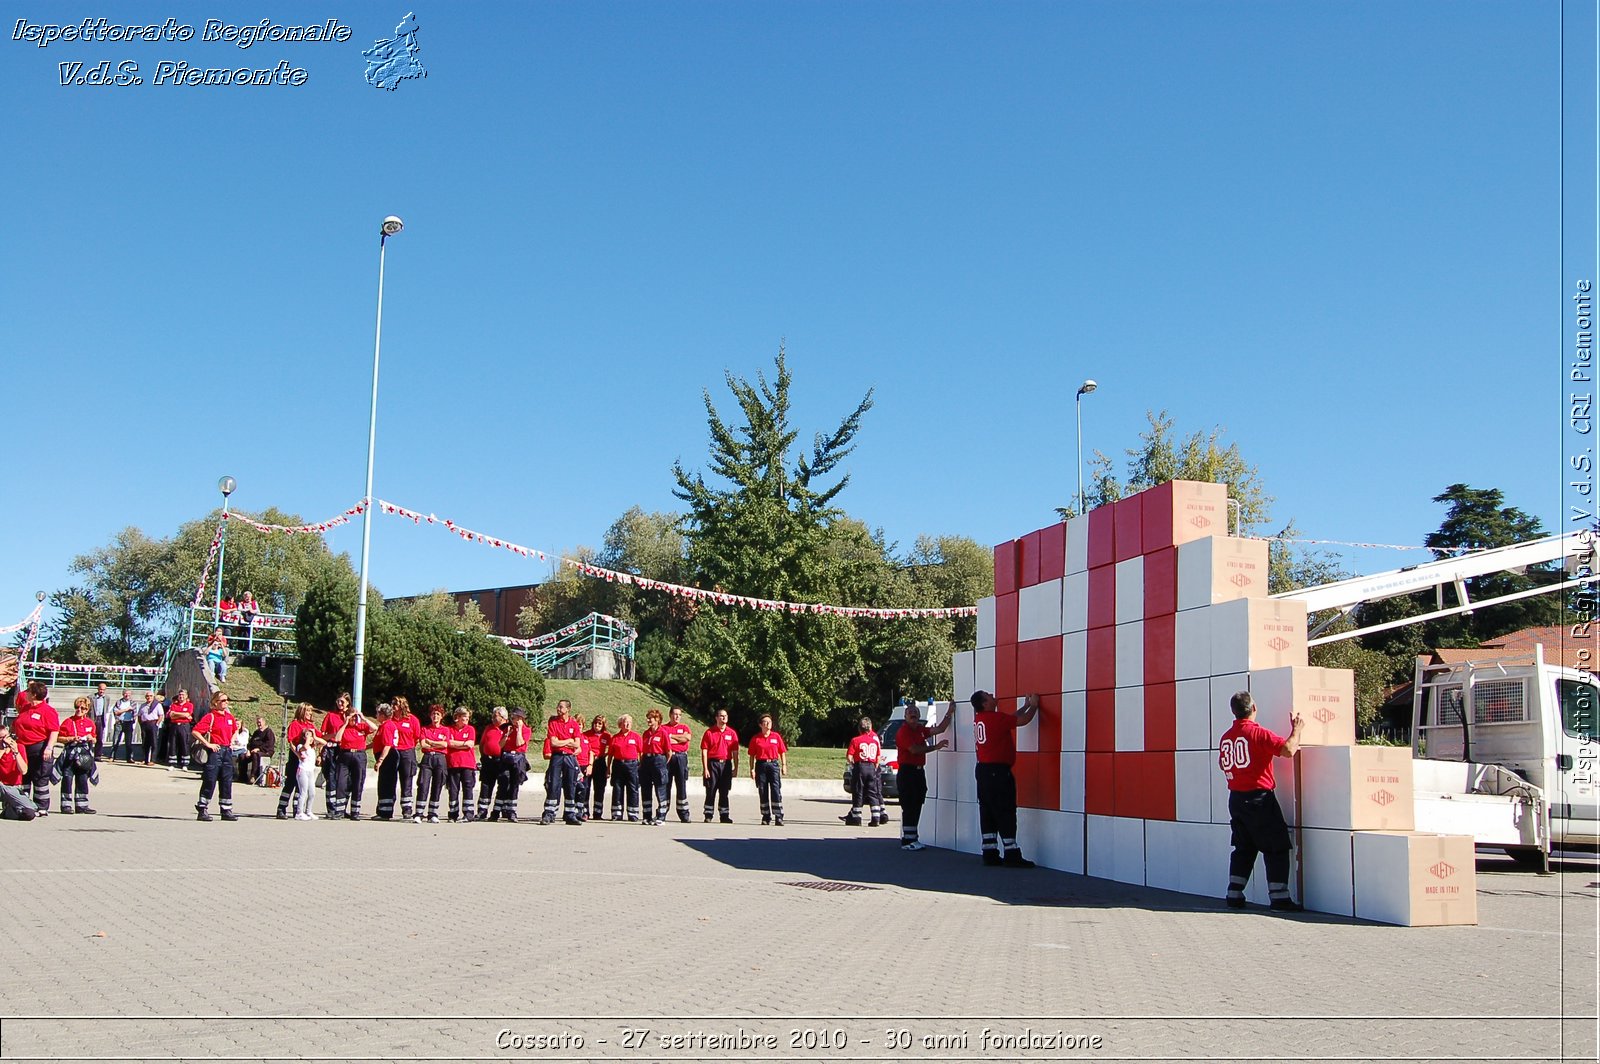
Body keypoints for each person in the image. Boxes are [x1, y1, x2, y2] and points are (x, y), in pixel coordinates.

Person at [1219, 691, 1305, 912]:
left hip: (1236, 798)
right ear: (1254, 708)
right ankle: (1279, 898)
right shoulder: (1258, 734)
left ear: (1233, 711)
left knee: (1243, 847)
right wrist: (1297, 730)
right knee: (1276, 846)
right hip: (1259, 798)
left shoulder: (1226, 737)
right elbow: (1288, 750)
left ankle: (1234, 894)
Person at [971, 690, 1040, 867]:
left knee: (987, 811)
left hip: (983, 770)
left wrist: (1024, 706)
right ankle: (1011, 853)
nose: (993, 695)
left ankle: (990, 852)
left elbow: (1009, 720)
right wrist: (1033, 706)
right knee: (1005, 809)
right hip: (998, 772)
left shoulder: (983, 719)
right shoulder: (994, 719)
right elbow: (1022, 721)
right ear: (985, 703)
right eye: (989, 695)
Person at [894, 702, 951, 850]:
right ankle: (907, 840)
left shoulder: (920, 729)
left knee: (917, 802)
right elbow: (914, 750)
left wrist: (949, 712)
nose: (913, 714)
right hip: (907, 771)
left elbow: (940, 729)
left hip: (919, 772)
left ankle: (913, 837)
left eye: (915, 712)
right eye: (910, 712)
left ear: (919, 716)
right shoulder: (903, 731)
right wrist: (935, 747)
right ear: (905, 716)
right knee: (909, 805)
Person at [191, 693, 240, 822]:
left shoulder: (229, 717)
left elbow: (235, 729)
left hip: (227, 751)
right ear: (215, 702)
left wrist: (232, 741)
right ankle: (202, 808)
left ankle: (226, 809)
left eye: (227, 700)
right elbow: (196, 731)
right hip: (215, 751)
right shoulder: (211, 716)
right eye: (223, 700)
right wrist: (208, 744)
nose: (226, 702)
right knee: (210, 779)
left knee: (226, 780)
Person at [13, 681, 59, 814]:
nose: (25, 693)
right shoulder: (26, 707)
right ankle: (25, 804)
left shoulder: (48, 711)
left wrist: (49, 747)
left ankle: (41, 807)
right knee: (24, 777)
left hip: (39, 747)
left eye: (28, 691)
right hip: (22, 747)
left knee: (40, 777)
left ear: (34, 694)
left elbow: (54, 731)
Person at [540, 699, 584, 825]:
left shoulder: (574, 724)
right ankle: (549, 813)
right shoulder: (553, 722)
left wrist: (565, 741)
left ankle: (570, 814)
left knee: (571, 785)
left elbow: (576, 744)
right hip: (557, 756)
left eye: (561, 707)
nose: (558, 709)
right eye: (558, 707)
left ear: (568, 709)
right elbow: (553, 742)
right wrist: (567, 741)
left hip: (570, 758)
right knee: (553, 784)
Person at [333, 699, 376, 820]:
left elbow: (374, 728)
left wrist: (362, 718)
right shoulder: (344, 728)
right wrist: (346, 723)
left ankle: (355, 811)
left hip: (359, 756)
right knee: (341, 782)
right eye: (351, 717)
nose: (353, 720)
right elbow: (337, 738)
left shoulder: (361, 727)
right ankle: (340, 810)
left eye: (354, 718)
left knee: (358, 783)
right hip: (345, 755)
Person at [57, 696, 98, 814]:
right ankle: (66, 805)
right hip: (70, 754)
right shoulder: (68, 722)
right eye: (77, 707)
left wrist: (91, 738)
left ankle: (82, 805)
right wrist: (70, 738)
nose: (79, 710)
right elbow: (59, 738)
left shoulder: (90, 723)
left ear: (87, 709)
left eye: (83, 708)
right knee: (67, 779)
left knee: (82, 779)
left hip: (84, 756)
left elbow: (95, 739)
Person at [277, 704, 318, 819]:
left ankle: (297, 809)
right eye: (308, 711)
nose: (310, 713)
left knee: (302, 787)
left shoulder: (310, 726)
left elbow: (318, 738)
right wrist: (298, 755)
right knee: (290, 783)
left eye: (311, 711)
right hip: (296, 758)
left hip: (307, 761)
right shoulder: (295, 724)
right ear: (302, 711)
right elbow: (291, 743)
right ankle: (281, 808)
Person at [842, 717, 885, 828]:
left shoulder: (855, 740)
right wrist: (874, 767)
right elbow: (878, 756)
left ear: (859, 729)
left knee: (858, 791)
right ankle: (876, 818)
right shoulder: (874, 741)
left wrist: (853, 765)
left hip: (860, 766)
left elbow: (849, 756)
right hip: (872, 767)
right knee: (872, 792)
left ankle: (856, 817)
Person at [747, 714, 788, 827]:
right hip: (761, 765)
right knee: (762, 790)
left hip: (773, 764)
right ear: (760, 725)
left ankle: (778, 816)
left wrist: (784, 765)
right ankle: (766, 816)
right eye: (765, 722)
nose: (768, 724)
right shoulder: (756, 738)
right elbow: (751, 755)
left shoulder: (776, 737)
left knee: (776, 789)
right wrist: (751, 769)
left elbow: (782, 752)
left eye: (769, 722)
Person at [700, 708, 739, 824]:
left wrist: (735, 768)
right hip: (713, 764)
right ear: (716, 718)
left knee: (724, 791)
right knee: (710, 790)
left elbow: (735, 753)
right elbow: (704, 751)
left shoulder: (731, 733)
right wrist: (705, 768)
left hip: (726, 764)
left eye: (725, 716)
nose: (724, 718)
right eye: (721, 716)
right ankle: (708, 814)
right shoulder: (709, 732)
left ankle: (724, 815)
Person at [416, 704, 450, 824]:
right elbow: (423, 745)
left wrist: (431, 742)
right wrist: (436, 743)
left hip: (440, 759)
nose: (435, 716)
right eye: (433, 714)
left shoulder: (445, 730)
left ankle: (433, 813)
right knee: (423, 785)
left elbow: (445, 744)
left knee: (437, 785)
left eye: (438, 714)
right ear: (430, 716)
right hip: (427, 759)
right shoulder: (425, 729)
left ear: (441, 717)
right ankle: (419, 813)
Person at [607, 714, 643, 822]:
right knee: (617, 788)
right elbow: (610, 755)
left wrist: (641, 766)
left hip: (632, 765)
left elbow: (641, 753)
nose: (627, 724)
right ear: (620, 724)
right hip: (618, 764)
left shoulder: (636, 737)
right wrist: (608, 768)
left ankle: (633, 813)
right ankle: (617, 813)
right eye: (625, 722)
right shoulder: (615, 738)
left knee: (633, 788)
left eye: (629, 723)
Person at [475, 706, 508, 821]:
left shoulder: (508, 729)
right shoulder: (489, 728)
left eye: (496, 716)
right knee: (486, 785)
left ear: (504, 718)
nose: (493, 719)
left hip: (502, 761)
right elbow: (482, 743)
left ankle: (496, 812)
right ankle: (482, 811)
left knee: (502, 786)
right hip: (488, 761)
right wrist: (483, 756)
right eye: (492, 716)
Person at [445, 707, 477, 822]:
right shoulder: (449, 730)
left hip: (467, 764)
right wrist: (462, 743)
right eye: (464, 717)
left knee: (468, 788)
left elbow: (470, 744)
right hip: (453, 764)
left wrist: (457, 744)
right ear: (457, 717)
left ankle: (468, 814)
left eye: (468, 718)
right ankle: (453, 814)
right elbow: (448, 743)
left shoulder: (471, 729)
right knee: (453, 790)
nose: (466, 720)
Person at [0, 722, 38, 820]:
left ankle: (8, 812)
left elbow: (24, 771)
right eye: (1, 738)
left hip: (14, 788)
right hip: (1, 787)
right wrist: (2, 751)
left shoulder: (19, 747)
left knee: (29, 812)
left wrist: (16, 752)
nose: (4, 741)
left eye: (6, 737)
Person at [640, 708, 671, 825]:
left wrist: (663, 764)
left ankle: (661, 816)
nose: (648, 720)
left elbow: (669, 752)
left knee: (660, 788)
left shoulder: (663, 733)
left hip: (659, 760)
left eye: (650, 718)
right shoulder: (646, 733)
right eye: (647, 718)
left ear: (657, 720)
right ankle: (647, 816)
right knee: (646, 788)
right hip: (647, 760)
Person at [663, 706, 693, 824]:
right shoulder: (663, 728)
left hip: (681, 758)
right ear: (670, 715)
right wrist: (679, 739)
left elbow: (687, 738)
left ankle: (683, 813)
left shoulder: (684, 727)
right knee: (666, 785)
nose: (677, 717)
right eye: (675, 714)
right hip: (668, 758)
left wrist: (671, 737)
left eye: (679, 715)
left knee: (681, 785)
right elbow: (665, 742)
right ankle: (663, 811)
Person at [500, 707, 531, 822]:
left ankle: (512, 811)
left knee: (514, 784)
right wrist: (506, 735)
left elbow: (519, 743)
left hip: (518, 758)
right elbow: (501, 745)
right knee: (504, 780)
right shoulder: (508, 729)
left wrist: (519, 730)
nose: (514, 720)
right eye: (513, 717)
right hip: (507, 756)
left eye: (517, 717)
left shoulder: (526, 730)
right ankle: (503, 808)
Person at [290, 713, 323, 821]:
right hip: (302, 771)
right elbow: (304, 747)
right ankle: (299, 812)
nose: (310, 738)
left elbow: (324, 742)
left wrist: (315, 735)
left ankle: (308, 811)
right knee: (303, 792)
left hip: (310, 772)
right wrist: (308, 738)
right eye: (307, 735)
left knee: (312, 792)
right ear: (304, 737)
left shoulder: (312, 747)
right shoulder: (301, 746)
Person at [581, 714, 611, 820]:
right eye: (595, 723)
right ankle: (585, 812)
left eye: (600, 723)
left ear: (603, 725)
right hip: (588, 762)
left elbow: (610, 749)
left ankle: (597, 813)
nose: (597, 725)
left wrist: (604, 756)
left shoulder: (606, 736)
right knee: (586, 787)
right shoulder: (586, 735)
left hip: (600, 762)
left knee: (599, 788)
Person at [369, 704, 395, 818]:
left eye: (378, 713)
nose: (376, 715)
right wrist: (364, 747)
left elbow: (387, 745)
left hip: (388, 758)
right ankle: (381, 810)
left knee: (386, 785)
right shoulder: (382, 726)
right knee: (382, 784)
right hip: (384, 756)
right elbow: (376, 743)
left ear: (383, 715)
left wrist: (380, 760)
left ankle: (385, 812)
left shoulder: (387, 726)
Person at [166, 689, 195, 772]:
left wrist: (177, 714)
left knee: (184, 743)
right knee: (173, 744)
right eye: (180, 695)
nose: (181, 696)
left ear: (186, 696)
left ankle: (185, 764)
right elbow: (171, 715)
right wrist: (182, 715)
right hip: (174, 726)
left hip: (184, 726)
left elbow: (188, 714)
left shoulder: (189, 705)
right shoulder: (174, 705)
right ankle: (172, 764)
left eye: (183, 695)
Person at [247, 716, 275, 786]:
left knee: (256, 755)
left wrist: (259, 749)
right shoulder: (256, 732)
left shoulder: (269, 732)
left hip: (266, 751)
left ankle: (253, 776)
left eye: (260, 722)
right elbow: (250, 742)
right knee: (242, 756)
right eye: (257, 723)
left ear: (264, 722)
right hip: (253, 751)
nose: (258, 724)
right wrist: (248, 750)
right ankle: (242, 777)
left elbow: (269, 744)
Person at [111, 689, 138, 763]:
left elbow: (135, 714)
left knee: (128, 742)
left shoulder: (133, 703)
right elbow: (116, 712)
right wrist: (126, 709)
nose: (127, 695)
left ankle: (129, 758)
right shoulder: (119, 702)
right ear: (123, 694)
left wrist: (122, 711)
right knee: (116, 741)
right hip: (119, 722)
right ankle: (112, 757)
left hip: (129, 723)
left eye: (129, 694)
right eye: (126, 694)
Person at [137, 691, 164, 765]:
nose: (149, 697)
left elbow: (161, 715)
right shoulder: (143, 705)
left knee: (154, 743)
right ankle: (144, 759)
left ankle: (152, 760)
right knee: (145, 743)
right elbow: (139, 715)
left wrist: (157, 724)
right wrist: (141, 724)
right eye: (147, 696)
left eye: (151, 696)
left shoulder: (157, 705)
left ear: (153, 697)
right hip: (145, 724)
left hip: (153, 724)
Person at [89, 683, 112, 761]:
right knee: (90, 737)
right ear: (98, 689)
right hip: (92, 718)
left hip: (101, 719)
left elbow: (106, 709)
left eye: (103, 689)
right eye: (100, 689)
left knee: (100, 738)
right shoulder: (91, 697)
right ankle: (88, 753)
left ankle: (97, 755)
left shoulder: (107, 698)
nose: (102, 691)